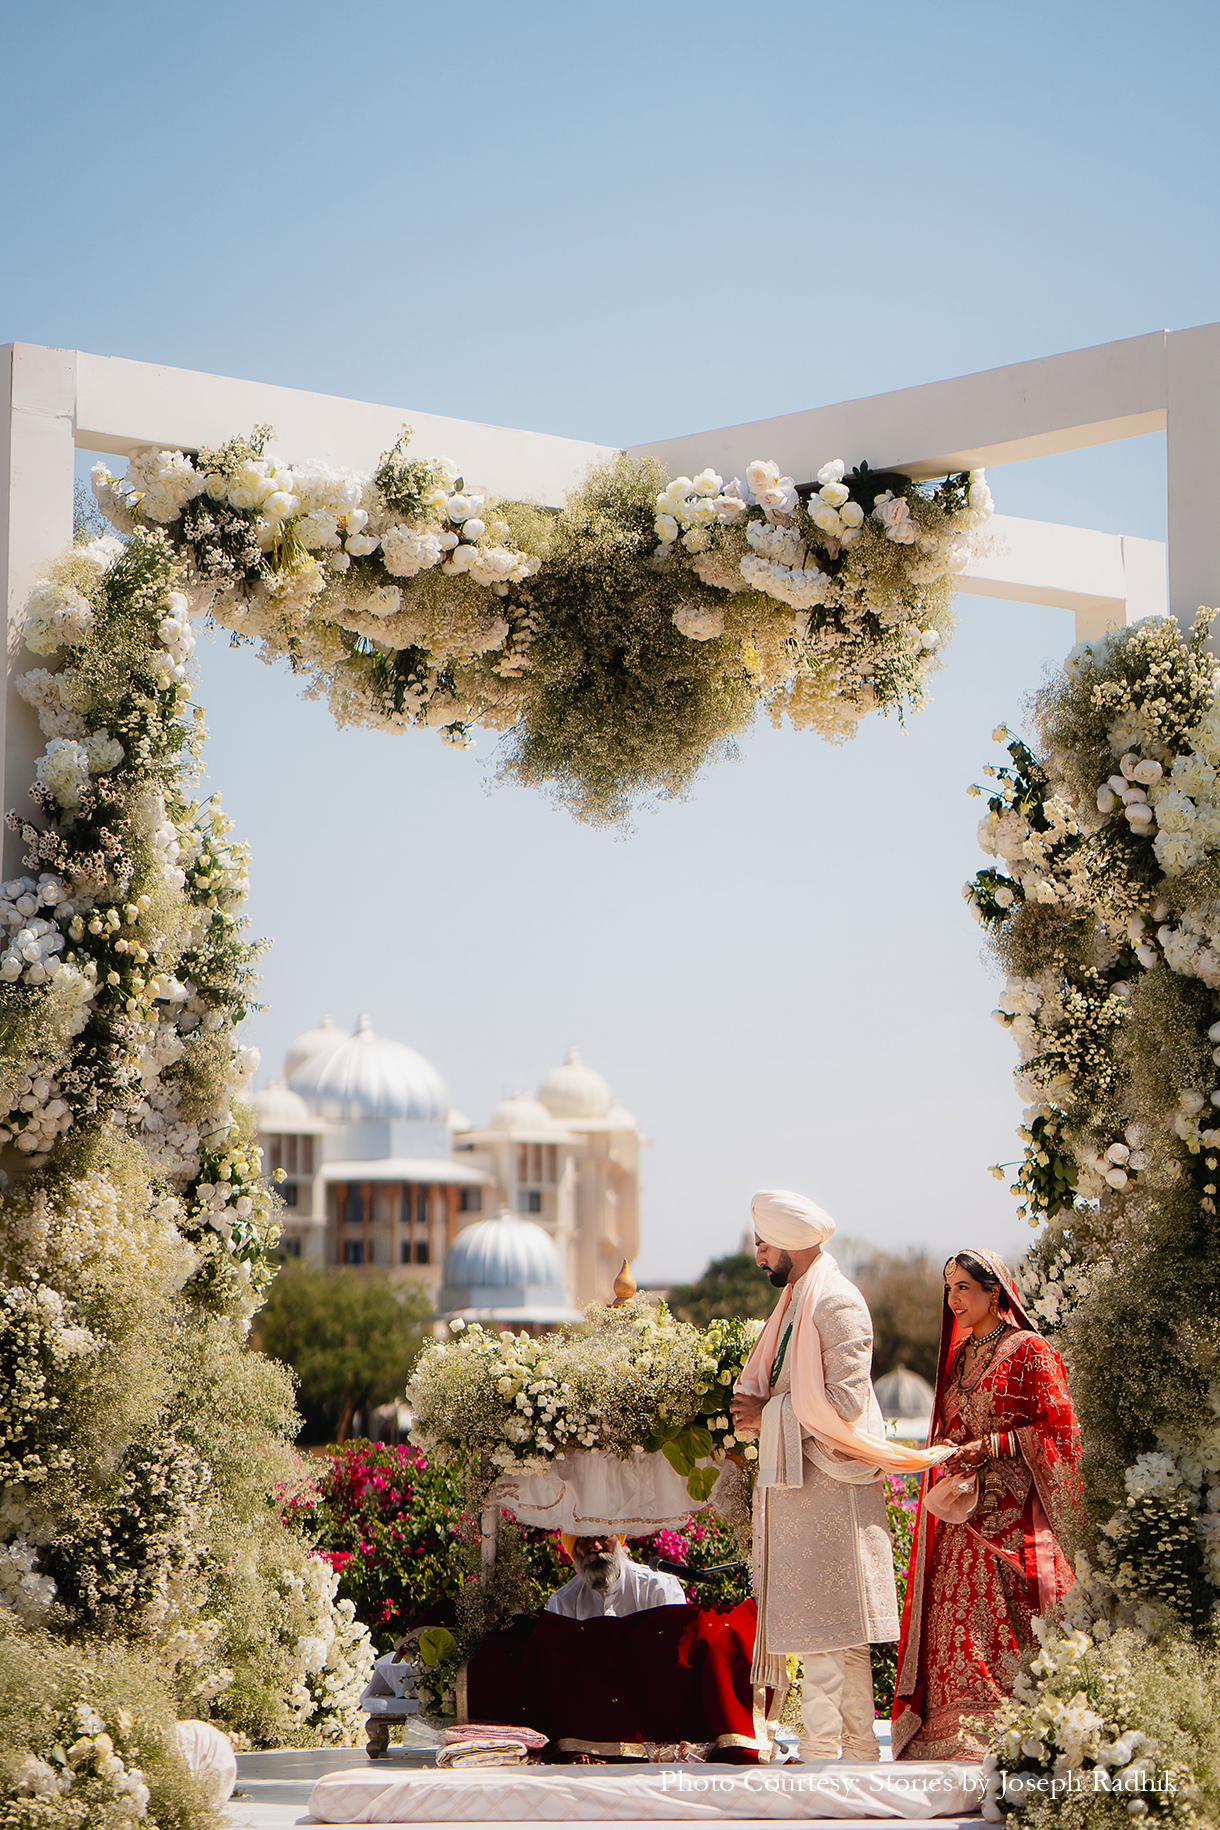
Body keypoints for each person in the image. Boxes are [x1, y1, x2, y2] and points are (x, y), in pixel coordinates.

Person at [731, 1190, 951, 1764]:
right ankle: (853, 1746)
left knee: (827, 1623)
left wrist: (767, 1416)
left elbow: (846, 1405)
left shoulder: (835, 1303)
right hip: (808, 1482)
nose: (757, 1254)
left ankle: (822, 1749)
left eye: (761, 1242)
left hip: (831, 1480)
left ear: (787, 1242)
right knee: (837, 1626)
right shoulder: (800, 1297)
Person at [892, 1248, 1083, 1762]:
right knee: (954, 1624)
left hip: (1014, 1519)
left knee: (1012, 1631)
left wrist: (993, 1447)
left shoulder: (1030, 1350)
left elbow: (1060, 1430)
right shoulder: (956, 1359)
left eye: (963, 1288)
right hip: (961, 1518)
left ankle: (1014, 1734)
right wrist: (952, 1455)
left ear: (994, 1290)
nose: (953, 1299)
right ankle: (948, 1732)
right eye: (948, 1288)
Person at [544, 1532, 687, 1620]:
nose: (596, 1546)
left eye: (603, 1535)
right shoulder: (562, 1604)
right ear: (574, 1547)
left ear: (617, 1537)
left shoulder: (657, 1586)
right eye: (586, 1538)